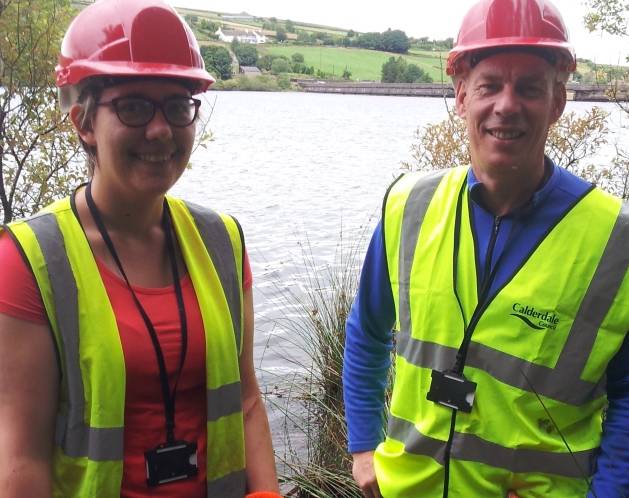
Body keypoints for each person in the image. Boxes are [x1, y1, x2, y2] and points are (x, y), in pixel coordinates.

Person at [343, 0, 629, 496]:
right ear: (461, 96)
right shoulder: (409, 206)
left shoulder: (614, 238)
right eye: (489, 85)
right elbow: (367, 331)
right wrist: (364, 446)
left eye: (529, 88)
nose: (507, 105)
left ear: (558, 102)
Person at [0, 0, 281, 497]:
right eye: (133, 106)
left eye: (177, 105)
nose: (160, 129)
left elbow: (247, 402)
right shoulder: (30, 261)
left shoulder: (222, 242)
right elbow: (22, 458)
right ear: (84, 123)